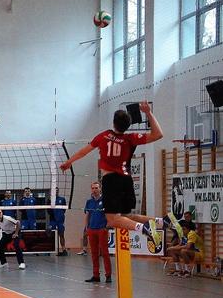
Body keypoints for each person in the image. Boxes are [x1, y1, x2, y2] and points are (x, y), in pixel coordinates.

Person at [60, 102, 174, 247]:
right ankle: (161, 221)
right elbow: (158, 134)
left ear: (113, 123)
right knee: (125, 216)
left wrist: (69, 162)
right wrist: (148, 113)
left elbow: (84, 152)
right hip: (127, 180)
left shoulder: (103, 136)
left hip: (111, 180)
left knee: (112, 220)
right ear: (128, 125)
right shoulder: (130, 138)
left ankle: (144, 228)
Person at [84, 182, 111, 283]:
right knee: (94, 253)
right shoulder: (89, 202)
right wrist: (87, 228)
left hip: (102, 229)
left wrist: (107, 227)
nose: (94, 190)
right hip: (92, 229)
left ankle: (108, 275)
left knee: (105, 253)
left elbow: (109, 215)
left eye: (96, 188)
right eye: (93, 188)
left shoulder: (105, 200)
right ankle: (96, 275)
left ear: (100, 189)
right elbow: (87, 215)